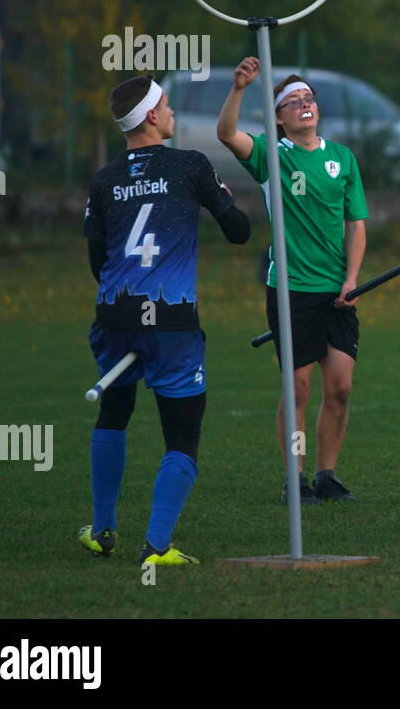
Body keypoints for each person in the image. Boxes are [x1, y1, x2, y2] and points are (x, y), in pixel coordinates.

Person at [79, 74, 251, 565]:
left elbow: (99, 259)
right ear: (152, 116)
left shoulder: (104, 179)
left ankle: (102, 530)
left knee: (113, 413)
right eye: (168, 106)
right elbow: (238, 232)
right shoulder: (190, 166)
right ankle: (156, 545)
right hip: (172, 319)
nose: (173, 113)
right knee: (182, 436)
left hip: (114, 315)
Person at [217, 58, 369, 505]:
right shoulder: (270, 156)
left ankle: (326, 475)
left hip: (337, 290)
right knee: (298, 388)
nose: (304, 106)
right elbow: (227, 134)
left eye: (309, 100)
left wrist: (352, 279)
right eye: (293, 103)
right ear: (279, 117)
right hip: (290, 289)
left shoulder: (342, 159)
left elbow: (356, 222)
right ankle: (295, 479)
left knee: (340, 386)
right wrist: (240, 88)